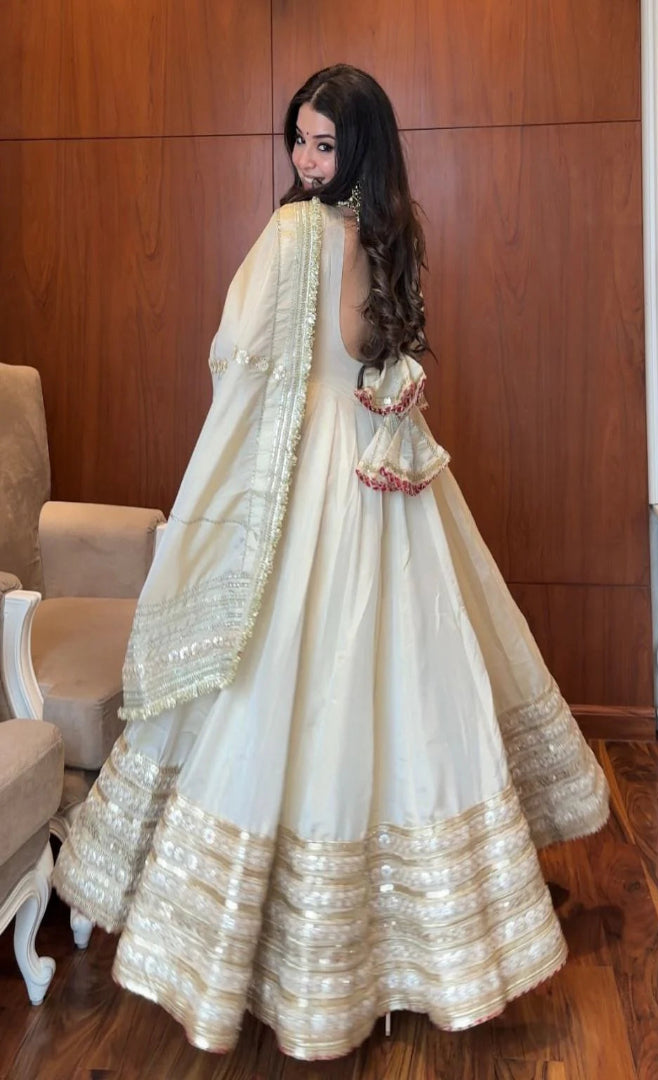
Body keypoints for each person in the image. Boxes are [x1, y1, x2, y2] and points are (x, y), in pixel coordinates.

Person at [53, 64, 609, 1060]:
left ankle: (280, 955)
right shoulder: (395, 232)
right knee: (406, 683)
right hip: (385, 469)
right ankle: (428, 941)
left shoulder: (293, 233)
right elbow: (383, 351)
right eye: (299, 143)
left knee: (291, 684)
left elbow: (238, 350)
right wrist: (380, 383)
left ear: (358, 150)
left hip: (309, 470)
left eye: (323, 145)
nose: (307, 163)